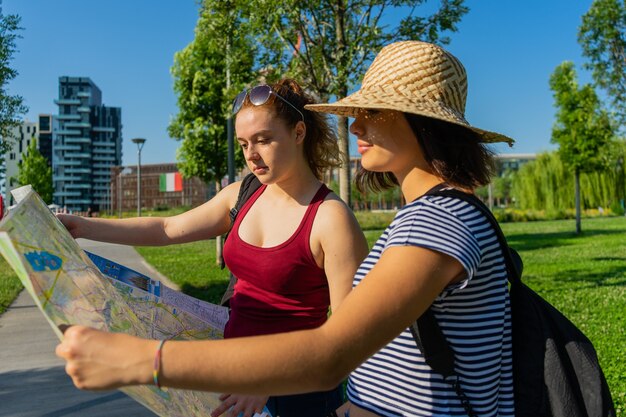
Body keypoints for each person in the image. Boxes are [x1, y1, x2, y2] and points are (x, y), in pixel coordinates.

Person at [56, 41, 516, 416]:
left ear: (423, 123)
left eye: (374, 112)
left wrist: (141, 360)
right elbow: (389, 357)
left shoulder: (440, 221)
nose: (356, 123)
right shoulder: (425, 215)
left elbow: (334, 352)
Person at [57, 78, 368, 417]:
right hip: (232, 378)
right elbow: (167, 228)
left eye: (264, 140)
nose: (252, 154)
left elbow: (348, 339)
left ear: (298, 132)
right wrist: (84, 226)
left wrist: (269, 381)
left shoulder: (331, 219)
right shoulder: (244, 193)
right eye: (244, 143)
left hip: (296, 396)